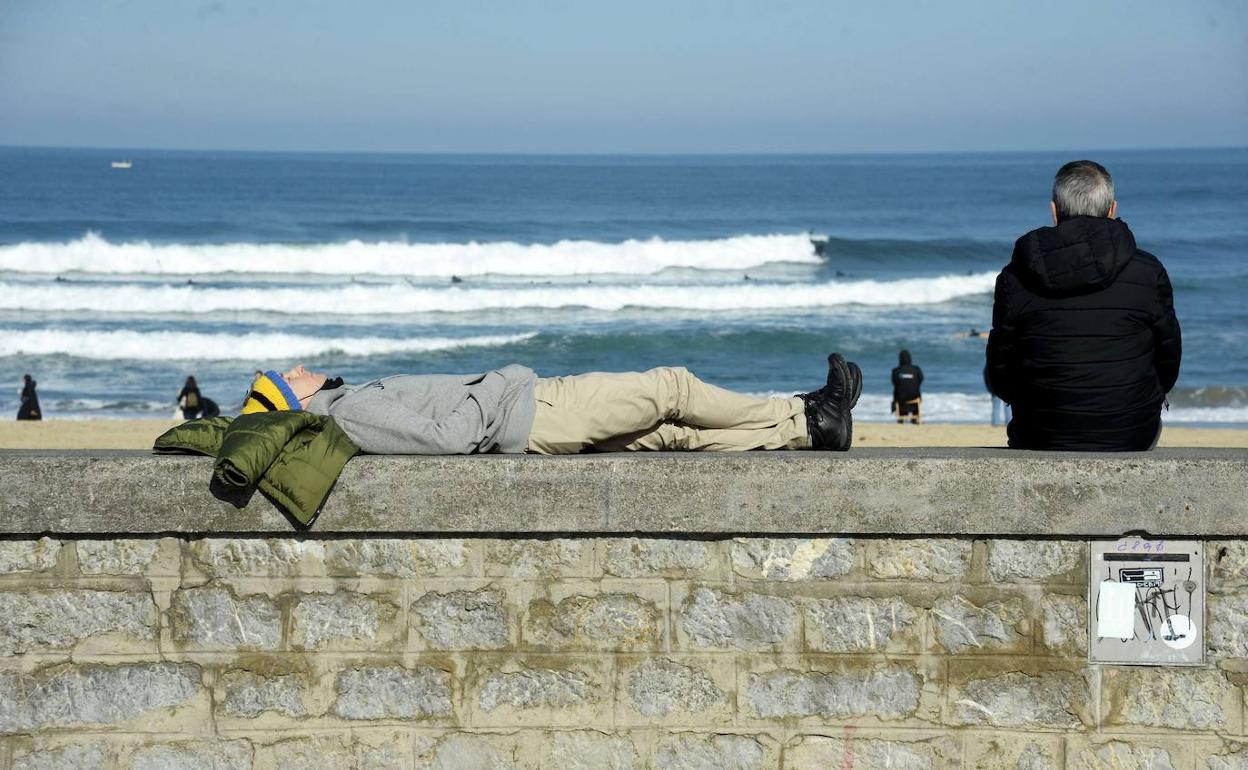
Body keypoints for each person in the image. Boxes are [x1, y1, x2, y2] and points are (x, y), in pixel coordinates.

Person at [239, 353, 863, 454]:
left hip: (528, 418)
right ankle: (810, 411)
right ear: (291, 395)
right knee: (671, 388)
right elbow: (444, 440)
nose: (298, 365)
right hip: (532, 409)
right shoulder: (346, 411)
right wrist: (496, 383)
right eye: (284, 373)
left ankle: (809, 431)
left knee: (675, 434)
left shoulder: (348, 403)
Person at [986, 160, 1181, 451]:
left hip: (1040, 433)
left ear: (1054, 211)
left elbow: (1000, 371)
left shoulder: (1015, 277)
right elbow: (1168, 360)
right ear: (1112, 210)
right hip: (1131, 433)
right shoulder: (1148, 271)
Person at [890, 350, 923, 424]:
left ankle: (901, 417)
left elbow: (894, 383)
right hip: (914, 397)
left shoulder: (896, 371)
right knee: (914, 392)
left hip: (901, 398)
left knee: (899, 393)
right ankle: (915, 416)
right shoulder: (916, 369)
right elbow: (921, 379)